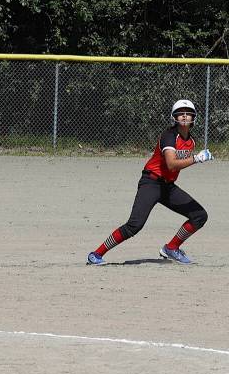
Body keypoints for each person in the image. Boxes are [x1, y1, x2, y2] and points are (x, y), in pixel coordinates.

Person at [87, 99, 213, 265]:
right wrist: (196, 159)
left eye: (187, 113)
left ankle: (172, 248)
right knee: (134, 225)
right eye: (180, 113)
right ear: (174, 117)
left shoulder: (191, 140)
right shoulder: (169, 136)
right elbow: (171, 164)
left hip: (167, 186)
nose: (184, 116)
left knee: (199, 216)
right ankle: (96, 254)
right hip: (151, 183)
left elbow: (174, 168)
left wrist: (194, 159)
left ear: (193, 118)